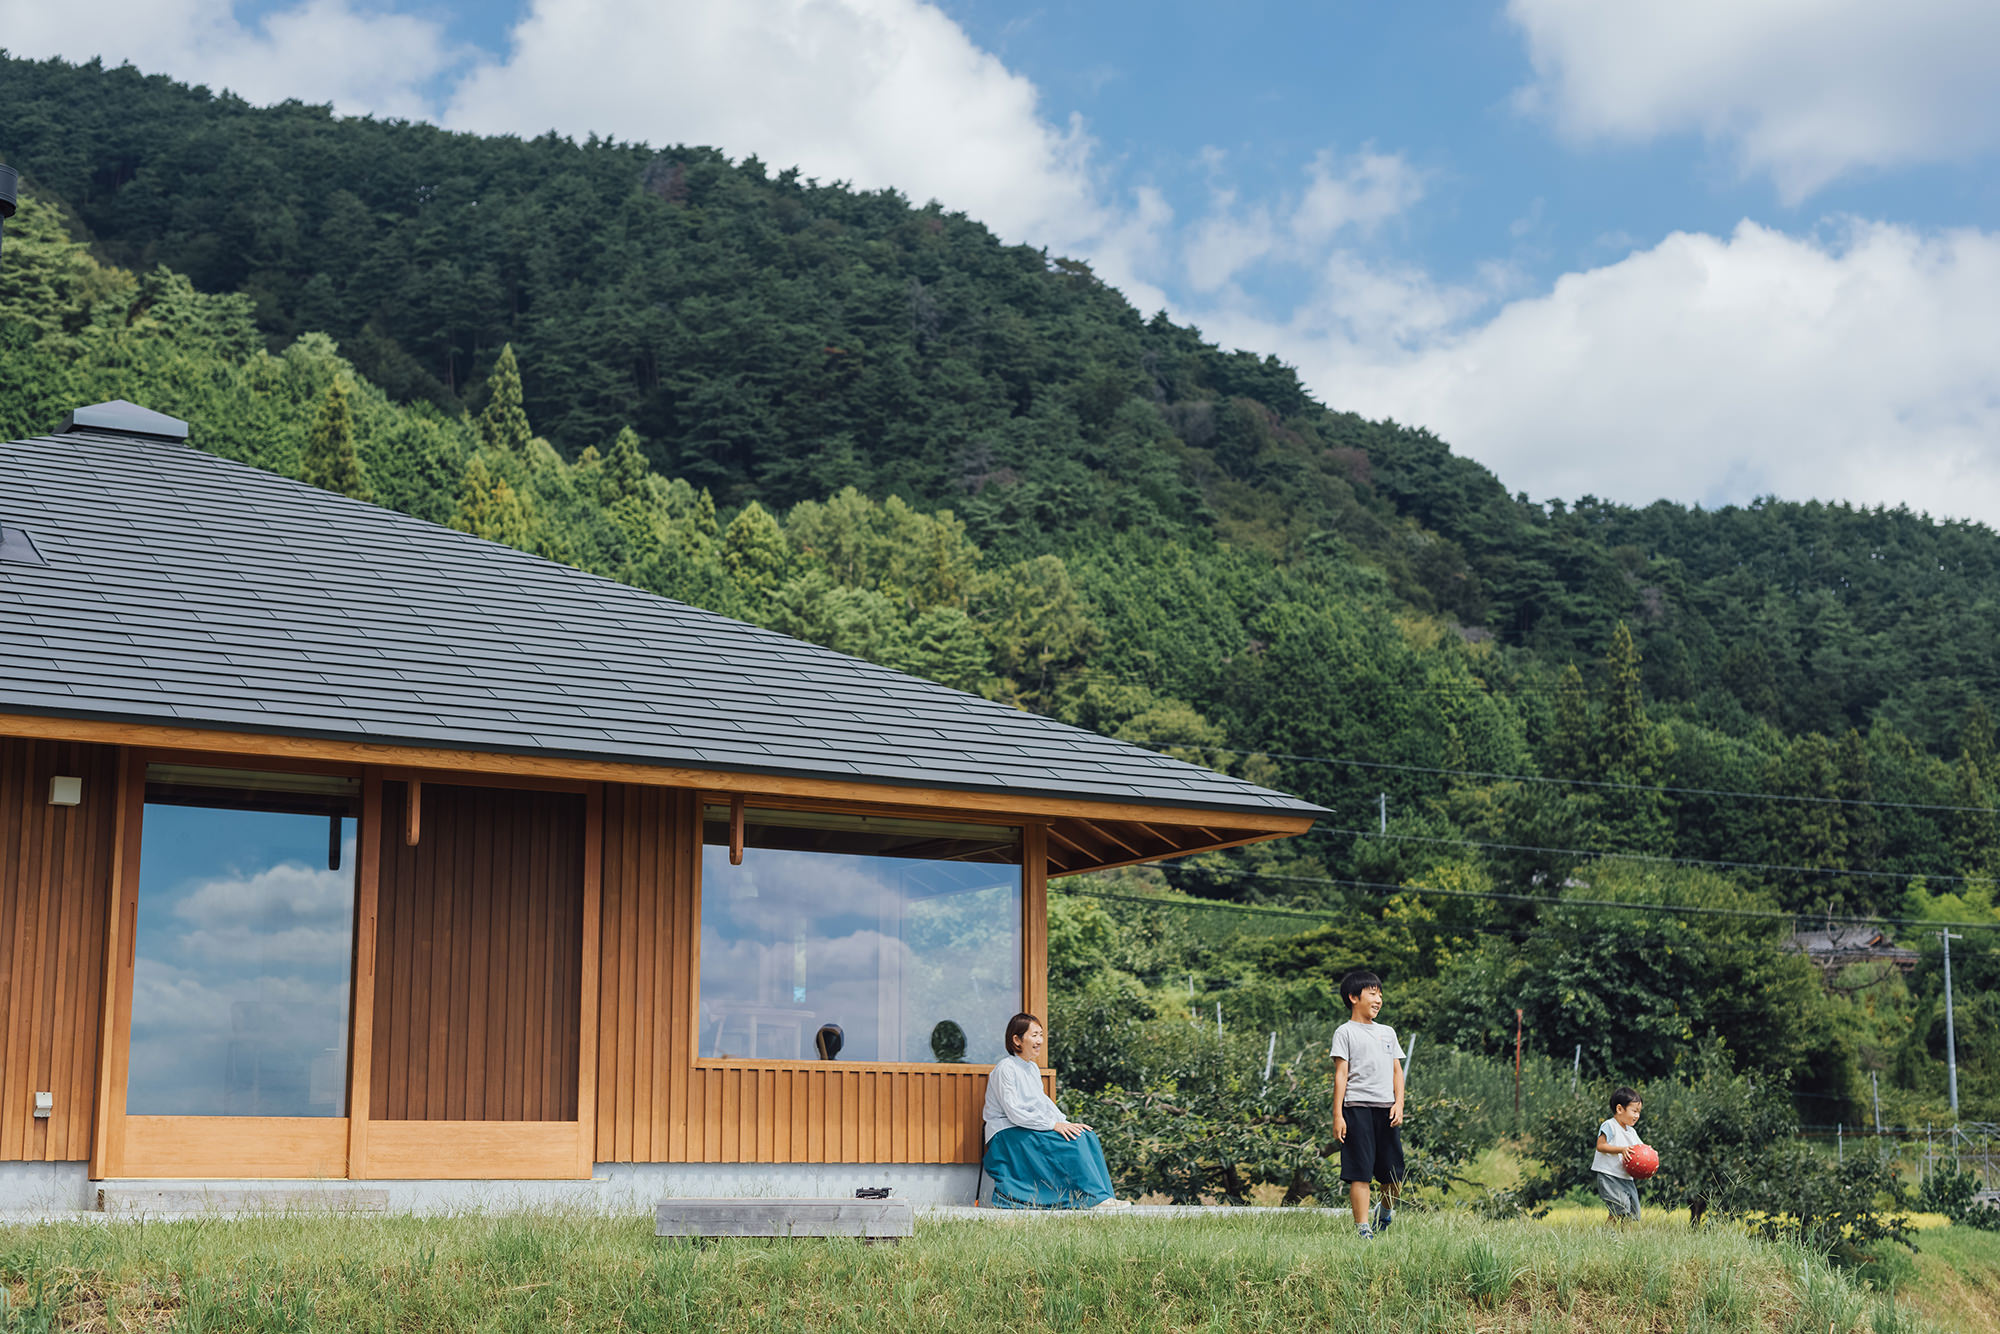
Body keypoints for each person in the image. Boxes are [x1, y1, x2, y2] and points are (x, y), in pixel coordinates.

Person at [980, 1012, 1130, 1209]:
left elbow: (1044, 1104)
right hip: (1006, 1132)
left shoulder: (1031, 1068)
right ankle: (1092, 1198)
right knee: (1071, 1142)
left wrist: (1065, 1123)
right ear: (1016, 1039)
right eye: (1034, 1035)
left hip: (1027, 1126)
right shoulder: (1005, 1068)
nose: (1039, 1041)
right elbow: (1014, 1113)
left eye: (1041, 1035)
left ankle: (1103, 1196)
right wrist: (1053, 1125)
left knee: (1085, 1135)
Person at [1330, 968, 1406, 1240]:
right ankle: (1363, 1229)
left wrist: (1400, 1103)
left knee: (1394, 1176)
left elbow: (1397, 1071)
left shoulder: (1388, 1032)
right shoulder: (1345, 1032)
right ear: (1353, 997)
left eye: (1380, 995)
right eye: (1372, 994)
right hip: (1356, 1109)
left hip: (1386, 1110)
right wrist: (1338, 1115)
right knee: (1359, 1173)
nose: (1378, 1000)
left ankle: (1384, 1211)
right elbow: (1341, 1074)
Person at [1592, 1086, 1647, 1224]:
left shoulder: (1631, 1132)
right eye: (1634, 1111)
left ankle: (1626, 1240)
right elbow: (1601, 1146)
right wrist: (1621, 1150)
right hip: (1609, 1175)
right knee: (1619, 1207)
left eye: (1639, 1112)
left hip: (1626, 1178)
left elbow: (1642, 1149)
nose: (1637, 1116)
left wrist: (1651, 1153)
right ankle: (1606, 1236)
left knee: (1632, 1212)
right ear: (1619, 1109)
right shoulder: (1609, 1126)